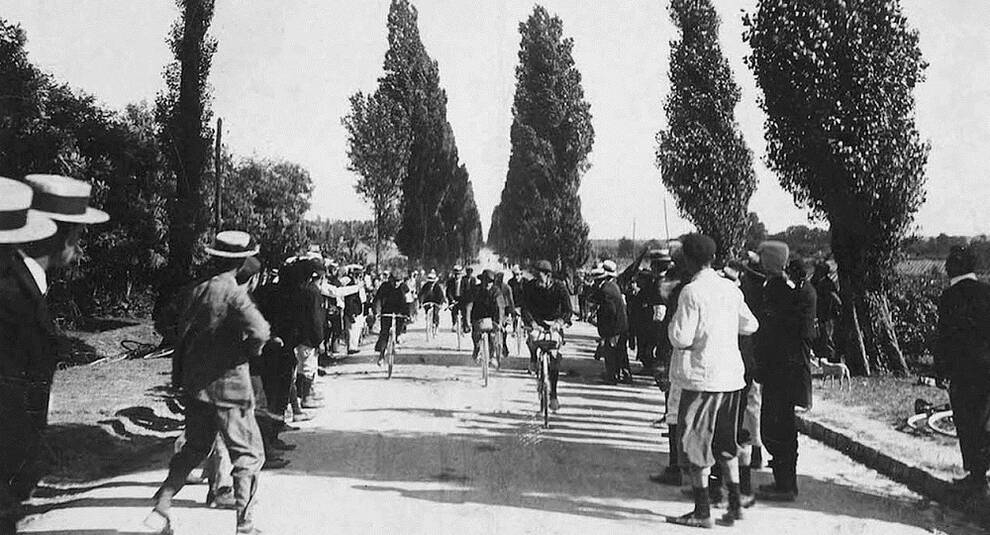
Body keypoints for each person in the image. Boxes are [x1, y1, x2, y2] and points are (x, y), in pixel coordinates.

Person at [145, 231, 270, 535]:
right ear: (241, 261)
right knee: (249, 455)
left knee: (195, 447)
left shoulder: (195, 291)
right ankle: (245, 525)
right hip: (230, 389)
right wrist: (245, 351)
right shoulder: (234, 292)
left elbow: (179, 332)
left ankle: (162, 504)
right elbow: (261, 332)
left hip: (197, 387)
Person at [0, 177, 84, 534]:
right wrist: (29, 460)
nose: (80, 248)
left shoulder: (23, 286)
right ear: (64, 238)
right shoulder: (13, 296)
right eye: (79, 237)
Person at [665, 234, 758, 529]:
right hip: (731, 378)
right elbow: (750, 325)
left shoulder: (691, 292)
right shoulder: (730, 289)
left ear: (689, 260)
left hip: (701, 379)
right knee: (725, 444)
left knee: (696, 446)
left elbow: (680, 337)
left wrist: (670, 324)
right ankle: (734, 504)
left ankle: (702, 511)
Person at [753, 241, 815, 502]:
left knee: (778, 427)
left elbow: (783, 330)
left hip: (784, 371)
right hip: (780, 370)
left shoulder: (790, 291)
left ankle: (786, 485)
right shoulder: (786, 288)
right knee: (775, 426)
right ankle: (783, 480)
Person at [934, 245, 990, 497]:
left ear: (955, 266)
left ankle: (976, 477)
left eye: (949, 263)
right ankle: (982, 472)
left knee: (967, 422)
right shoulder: (987, 291)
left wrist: (940, 370)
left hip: (964, 373)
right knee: (985, 420)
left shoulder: (950, 297)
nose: (946, 268)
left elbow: (944, 338)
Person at [520, 260, 572, 411]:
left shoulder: (560, 288)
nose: (537, 279)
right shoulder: (530, 287)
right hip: (536, 322)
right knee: (532, 339)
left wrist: (560, 322)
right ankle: (533, 359)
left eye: (540, 276)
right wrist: (532, 322)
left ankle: (554, 395)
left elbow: (568, 310)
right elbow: (525, 307)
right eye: (535, 275)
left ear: (548, 275)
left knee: (554, 358)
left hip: (554, 324)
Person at [592, 260, 630, 385]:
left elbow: (610, 311)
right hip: (621, 325)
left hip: (615, 327)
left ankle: (612, 376)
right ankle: (624, 374)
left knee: (610, 351)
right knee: (620, 351)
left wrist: (607, 333)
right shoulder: (612, 286)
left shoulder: (605, 290)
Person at [465, 270, 503, 368]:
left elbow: (500, 307)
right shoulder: (475, 290)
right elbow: (469, 305)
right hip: (478, 316)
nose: (487, 284)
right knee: (476, 335)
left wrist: (499, 322)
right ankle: (477, 349)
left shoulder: (496, 291)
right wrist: (468, 321)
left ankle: (492, 355)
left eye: (490, 281)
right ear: (481, 281)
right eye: (485, 281)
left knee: (494, 336)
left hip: (492, 317)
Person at [374, 270, 409, 365]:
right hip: (386, 310)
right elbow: (377, 299)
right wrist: (377, 312)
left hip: (399, 310)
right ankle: (381, 355)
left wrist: (407, 314)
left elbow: (407, 302)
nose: (396, 284)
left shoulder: (404, 287)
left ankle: (397, 336)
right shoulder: (384, 286)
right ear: (390, 280)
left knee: (400, 323)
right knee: (384, 333)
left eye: (398, 281)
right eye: (394, 281)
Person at [812, 261, 841, 362]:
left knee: (829, 338)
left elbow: (835, 299)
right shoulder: (814, 282)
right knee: (821, 338)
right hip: (818, 315)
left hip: (828, 315)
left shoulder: (828, 284)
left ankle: (833, 359)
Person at [446, 265, 467, 332]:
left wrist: (465, 299)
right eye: (455, 274)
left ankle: (464, 325)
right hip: (454, 299)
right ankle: (454, 323)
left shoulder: (465, 281)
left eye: (458, 274)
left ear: (461, 274)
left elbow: (467, 292)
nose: (457, 276)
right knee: (454, 311)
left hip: (463, 299)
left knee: (465, 311)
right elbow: (448, 292)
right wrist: (452, 300)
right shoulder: (450, 282)